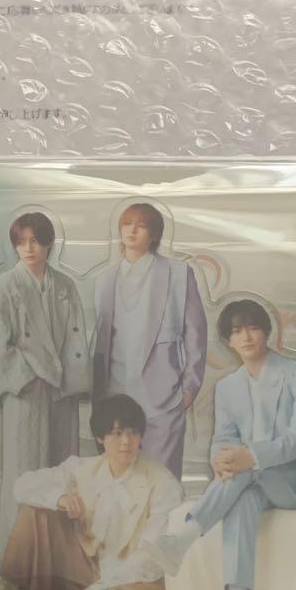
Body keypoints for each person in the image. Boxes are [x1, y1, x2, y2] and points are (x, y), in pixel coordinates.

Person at [149, 299, 296, 590]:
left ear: (267, 332)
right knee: (242, 498)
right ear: (228, 341)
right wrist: (221, 461)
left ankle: (183, 538)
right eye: (236, 331)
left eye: (253, 327)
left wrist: (249, 457)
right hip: (254, 484)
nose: (246, 337)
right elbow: (223, 440)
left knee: (245, 468)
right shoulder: (228, 387)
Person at [0, 394, 183, 590]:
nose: (126, 442)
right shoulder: (83, 468)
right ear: (100, 437)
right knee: (35, 511)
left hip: (128, 577)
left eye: (133, 433)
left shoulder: (163, 483)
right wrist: (60, 499)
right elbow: (22, 486)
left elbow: (151, 556)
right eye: (117, 433)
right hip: (83, 567)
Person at [0, 212, 90, 561]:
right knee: (24, 473)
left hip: (61, 389)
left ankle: (59, 562)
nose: (28, 248)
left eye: (36, 241)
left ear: (49, 244)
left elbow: (77, 340)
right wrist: (25, 375)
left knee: (63, 472)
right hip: (26, 390)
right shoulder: (6, 285)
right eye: (21, 242)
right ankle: (14, 561)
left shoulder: (65, 286)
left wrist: (70, 380)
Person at [92, 202, 208, 480]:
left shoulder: (178, 273)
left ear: (154, 234)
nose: (132, 230)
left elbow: (196, 332)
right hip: (115, 392)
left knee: (162, 481)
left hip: (163, 395)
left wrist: (190, 387)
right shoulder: (105, 280)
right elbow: (101, 342)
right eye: (127, 224)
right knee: (118, 482)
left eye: (141, 226)